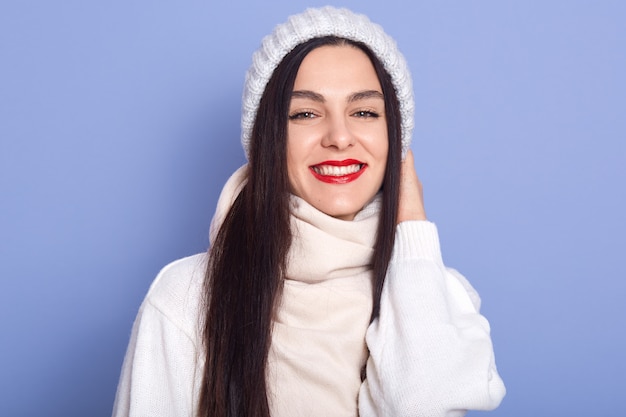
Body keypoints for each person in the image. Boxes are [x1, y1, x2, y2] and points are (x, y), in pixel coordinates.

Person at [112, 6, 506, 417]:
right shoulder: (187, 297)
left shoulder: (439, 295)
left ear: (396, 139)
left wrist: (411, 223)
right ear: (269, 138)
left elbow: (424, 405)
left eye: (364, 112)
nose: (339, 137)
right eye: (305, 113)